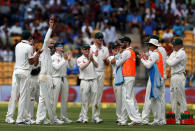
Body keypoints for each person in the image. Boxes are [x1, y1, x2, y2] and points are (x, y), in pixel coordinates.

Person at [6, 30, 41, 125]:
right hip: (24, 73)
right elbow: (31, 62)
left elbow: (31, 62)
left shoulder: (17, 45)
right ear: (29, 38)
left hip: (16, 71)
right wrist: (37, 54)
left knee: (15, 95)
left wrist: (35, 54)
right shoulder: (29, 47)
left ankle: (21, 117)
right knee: (23, 97)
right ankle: (19, 119)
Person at [36, 17, 63, 125]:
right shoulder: (45, 50)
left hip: (46, 76)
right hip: (44, 76)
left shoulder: (48, 52)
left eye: (53, 44)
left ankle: (41, 118)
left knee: (43, 99)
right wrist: (50, 28)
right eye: (51, 44)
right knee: (48, 99)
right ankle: (51, 119)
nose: (52, 45)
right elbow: (46, 40)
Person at [111, 36, 142, 126]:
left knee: (128, 99)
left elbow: (117, 63)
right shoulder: (132, 51)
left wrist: (118, 54)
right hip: (129, 76)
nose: (120, 44)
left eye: (122, 42)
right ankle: (124, 120)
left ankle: (136, 119)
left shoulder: (126, 52)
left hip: (127, 77)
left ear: (127, 43)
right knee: (126, 99)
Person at [139, 38, 164, 125]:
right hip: (158, 77)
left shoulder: (154, 54)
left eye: (149, 45)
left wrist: (142, 59)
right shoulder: (158, 53)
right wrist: (145, 59)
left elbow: (148, 66)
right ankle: (159, 120)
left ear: (153, 46)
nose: (148, 46)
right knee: (156, 99)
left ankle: (149, 119)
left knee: (150, 98)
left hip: (155, 78)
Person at [166, 38, 187, 124]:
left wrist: (166, 58)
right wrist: (168, 59)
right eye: (173, 44)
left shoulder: (182, 53)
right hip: (173, 76)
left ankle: (183, 116)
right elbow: (169, 62)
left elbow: (171, 63)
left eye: (175, 45)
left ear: (180, 45)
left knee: (180, 96)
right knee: (173, 97)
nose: (173, 46)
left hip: (179, 75)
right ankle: (176, 117)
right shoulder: (174, 53)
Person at [76, 44, 98, 123]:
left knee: (95, 100)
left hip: (93, 80)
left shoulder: (93, 57)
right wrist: (89, 61)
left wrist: (93, 60)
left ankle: (94, 117)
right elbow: (81, 67)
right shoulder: (79, 58)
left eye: (88, 49)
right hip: (84, 80)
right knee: (85, 100)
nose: (87, 50)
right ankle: (84, 118)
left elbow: (97, 66)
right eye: (85, 49)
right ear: (82, 50)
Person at [90, 32, 109, 123]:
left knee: (98, 95)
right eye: (98, 38)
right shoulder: (90, 48)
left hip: (101, 72)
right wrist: (95, 56)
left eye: (101, 38)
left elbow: (108, 64)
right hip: (92, 73)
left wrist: (106, 61)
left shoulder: (105, 49)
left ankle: (96, 116)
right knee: (90, 95)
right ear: (95, 39)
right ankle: (84, 116)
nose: (100, 39)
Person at [51, 42, 73, 124]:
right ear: (56, 48)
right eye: (60, 46)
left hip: (64, 78)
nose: (62, 47)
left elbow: (71, 67)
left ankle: (63, 117)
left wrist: (69, 60)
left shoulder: (64, 56)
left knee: (64, 99)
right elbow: (56, 67)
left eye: (62, 46)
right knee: (54, 99)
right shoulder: (53, 57)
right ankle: (53, 118)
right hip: (56, 78)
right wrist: (64, 59)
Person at [149, 35, 167, 125]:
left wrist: (143, 59)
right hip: (160, 75)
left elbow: (150, 64)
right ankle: (160, 119)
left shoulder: (157, 51)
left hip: (158, 76)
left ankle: (160, 119)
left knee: (157, 98)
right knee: (159, 98)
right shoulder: (162, 50)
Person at [107, 42, 123, 123]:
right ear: (112, 50)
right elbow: (112, 61)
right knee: (119, 99)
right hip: (116, 79)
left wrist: (119, 54)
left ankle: (126, 116)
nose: (116, 49)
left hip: (124, 78)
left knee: (126, 98)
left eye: (117, 48)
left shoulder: (122, 55)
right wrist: (118, 54)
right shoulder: (111, 57)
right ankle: (119, 117)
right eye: (114, 48)